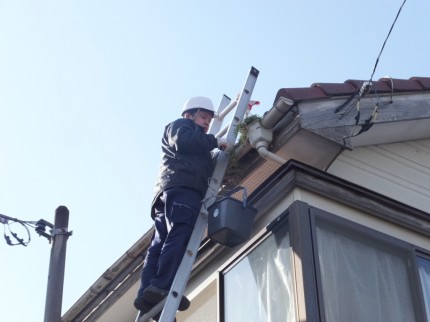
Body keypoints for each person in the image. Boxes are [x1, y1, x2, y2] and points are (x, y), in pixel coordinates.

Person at [134, 96, 230, 320]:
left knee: (160, 243)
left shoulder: (192, 137)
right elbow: (185, 141)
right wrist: (216, 141)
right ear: (189, 115)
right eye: (203, 117)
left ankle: (148, 293)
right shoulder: (181, 126)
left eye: (209, 119)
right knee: (181, 233)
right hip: (183, 188)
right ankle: (163, 286)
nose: (207, 123)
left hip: (169, 190)